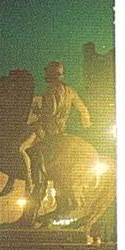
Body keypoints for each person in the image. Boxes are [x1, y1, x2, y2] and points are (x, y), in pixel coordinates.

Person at [17, 61, 92, 194]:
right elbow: (83, 109)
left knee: (21, 148)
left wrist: (36, 110)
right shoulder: (71, 91)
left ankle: (29, 181)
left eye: (46, 72)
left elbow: (50, 110)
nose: (45, 74)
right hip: (61, 129)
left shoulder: (51, 89)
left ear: (51, 74)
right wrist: (86, 122)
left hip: (45, 128)